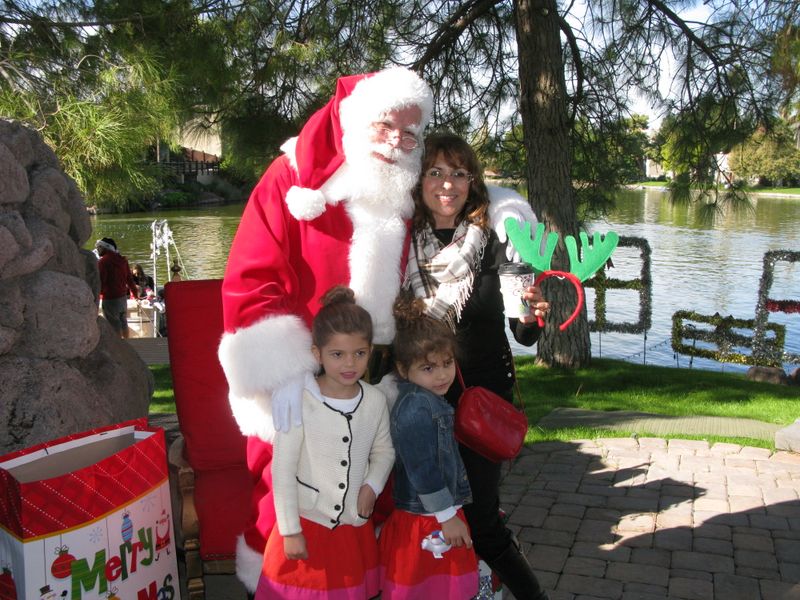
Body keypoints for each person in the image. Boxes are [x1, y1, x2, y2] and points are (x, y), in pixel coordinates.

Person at [217, 66, 535, 591]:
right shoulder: (291, 180)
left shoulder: (405, 191)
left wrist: (510, 211)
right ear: (353, 121)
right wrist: (286, 376)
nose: (396, 141)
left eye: (410, 133)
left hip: (384, 382)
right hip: (308, 379)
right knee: (294, 503)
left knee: (373, 503)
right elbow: (252, 280)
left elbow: (460, 190)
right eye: (385, 125)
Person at [404, 132, 550, 599]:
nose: (448, 184)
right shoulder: (401, 241)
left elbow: (522, 330)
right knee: (426, 516)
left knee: (483, 522)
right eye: (436, 172)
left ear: (473, 182)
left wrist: (534, 315)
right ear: (420, 180)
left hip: (480, 400)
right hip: (418, 402)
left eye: (459, 173)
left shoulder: (498, 241)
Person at [255, 286, 394, 599]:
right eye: (337, 354)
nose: (349, 364)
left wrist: (372, 485)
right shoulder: (301, 401)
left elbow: (384, 451)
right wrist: (290, 530)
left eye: (359, 353)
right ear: (317, 354)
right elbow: (283, 469)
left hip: (351, 530)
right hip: (307, 523)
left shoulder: (374, 401)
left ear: (370, 351)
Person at [379, 295, 478, 599]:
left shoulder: (428, 400)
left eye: (447, 364)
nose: (442, 374)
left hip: (436, 511)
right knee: (428, 587)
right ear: (403, 368)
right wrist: (447, 516)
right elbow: (422, 468)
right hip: (428, 518)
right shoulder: (416, 408)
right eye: (428, 368)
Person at [95, 237, 138, 339]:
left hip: (110, 299)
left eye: (99, 247)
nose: (98, 249)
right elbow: (130, 279)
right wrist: (135, 294)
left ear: (105, 248)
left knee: (114, 326)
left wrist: (95, 295)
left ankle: (119, 349)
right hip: (122, 298)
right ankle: (127, 344)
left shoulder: (103, 262)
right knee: (123, 323)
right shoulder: (123, 260)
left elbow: (101, 281)